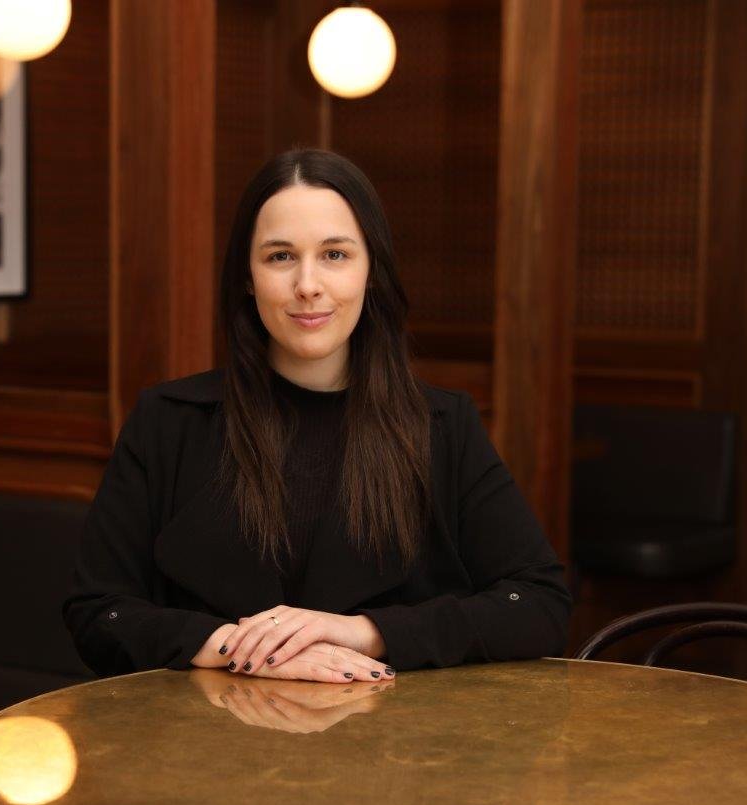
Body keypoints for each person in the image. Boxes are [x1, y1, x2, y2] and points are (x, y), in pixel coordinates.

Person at [63, 149, 571, 682]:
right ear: (247, 277)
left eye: (335, 255)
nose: (308, 284)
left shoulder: (442, 426)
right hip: (207, 751)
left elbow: (538, 604)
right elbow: (98, 611)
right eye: (280, 257)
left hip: (393, 751)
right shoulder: (168, 421)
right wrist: (248, 649)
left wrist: (359, 631)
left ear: (371, 271)